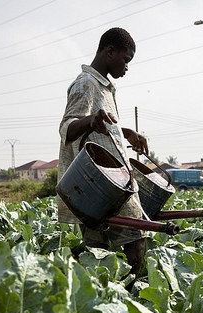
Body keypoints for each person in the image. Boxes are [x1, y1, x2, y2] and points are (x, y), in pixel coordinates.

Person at [57, 28, 149, 289]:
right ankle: (126, 298)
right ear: (109, 52)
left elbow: (101, 123)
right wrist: (89, 120)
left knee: (98, 250)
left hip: (106, 180)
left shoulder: (104, 87)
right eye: (126, 60)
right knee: (135, 238)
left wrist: (125, 132)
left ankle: (103, 300)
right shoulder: (85, 83)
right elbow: (67, 127)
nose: (127, 67)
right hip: (97, 183)